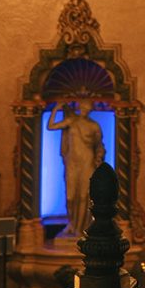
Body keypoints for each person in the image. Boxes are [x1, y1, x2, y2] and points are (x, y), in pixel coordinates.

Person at [49, 93, 107, 241]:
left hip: (87, 162)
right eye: (83, 106)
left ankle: (80, 229)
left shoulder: (94, 126)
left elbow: (99, 146)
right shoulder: (71, 121)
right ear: (80, 107)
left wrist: (99, 158)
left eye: (88, 107)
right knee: (70, 196)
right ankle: (72, 224)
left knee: (83, 197)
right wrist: (56, 109)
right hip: (72, 163)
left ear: (91, 109)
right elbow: (50, 126)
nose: (85, 109)